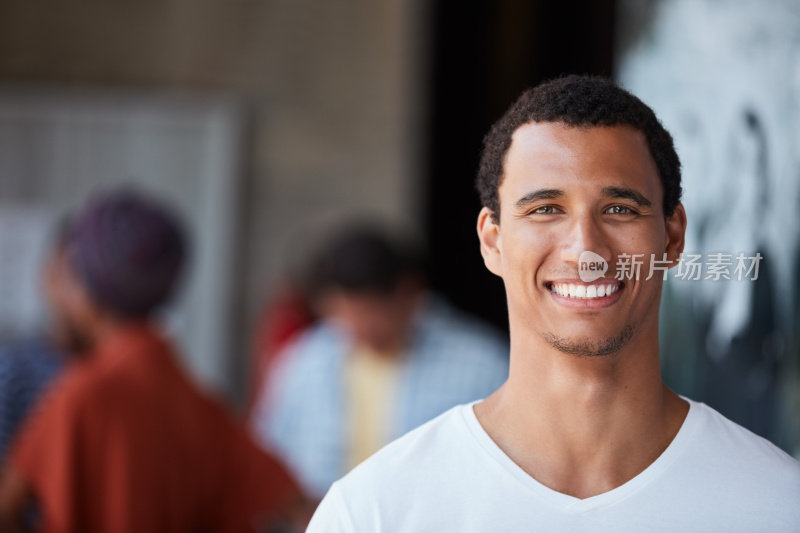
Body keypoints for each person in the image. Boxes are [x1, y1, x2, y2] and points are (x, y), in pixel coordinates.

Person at [306, 75, 800, 531]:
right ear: (492, 241)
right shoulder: (374, 511)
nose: (585, 249)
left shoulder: (777, 504)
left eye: (619, 209)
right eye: (545, 209)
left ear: (672, 239)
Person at [0, 189, 304, 533]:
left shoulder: (79, 397)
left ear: (87, 289)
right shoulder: (202, 408)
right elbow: (299, 505)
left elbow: (8, 505)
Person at [250, 225, 509, 500]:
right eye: (344, 315)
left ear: (408, 295)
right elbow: (268, 454)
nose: (358, 328)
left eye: (369, 314)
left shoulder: (481, 365)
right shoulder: (305, 360)